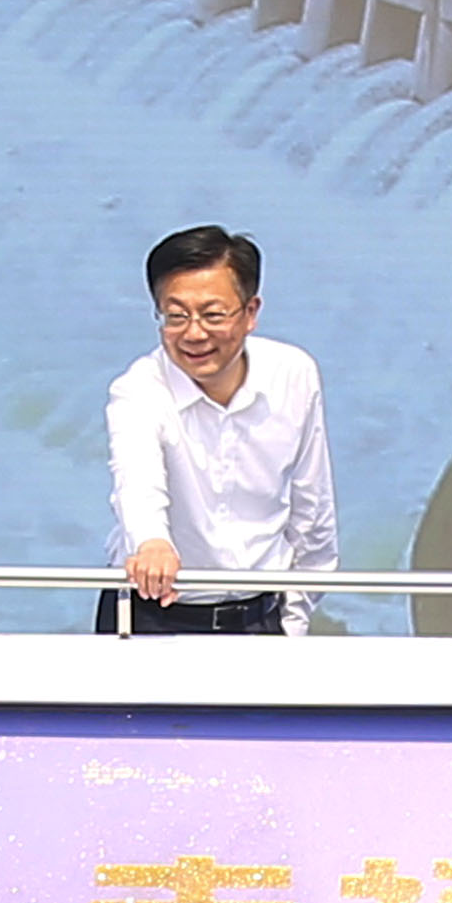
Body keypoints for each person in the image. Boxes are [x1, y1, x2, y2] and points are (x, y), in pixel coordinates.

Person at [102, 224, 335, 635]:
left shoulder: (294, 374)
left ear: (250, 313)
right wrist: (152, 544)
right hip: (152, 614)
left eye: (212, 315)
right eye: (176, 316)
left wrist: (293, 620)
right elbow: (136, 483)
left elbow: (312, 508)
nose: (194, 334)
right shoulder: (137, 389)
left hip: (261, 617)